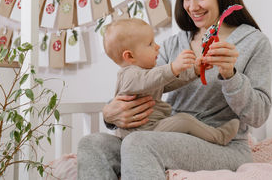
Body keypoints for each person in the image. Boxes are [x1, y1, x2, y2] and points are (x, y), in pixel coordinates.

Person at [77, 0, 272, 180]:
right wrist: (109, 113)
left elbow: (258, 116)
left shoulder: (253, 42)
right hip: (166, 133)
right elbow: (142, 84)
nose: (192, 6)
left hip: (223, 146)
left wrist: (231, 76)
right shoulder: (173, 44)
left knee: (138, 143)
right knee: (91, 144)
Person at [103, 18, 240, 144]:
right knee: (183, 120)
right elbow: (154, 78)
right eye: (150, 44)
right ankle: (219, 137)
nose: (157, 47)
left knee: (182, 120)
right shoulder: (129, 76)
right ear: (130, 56)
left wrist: (195, 71)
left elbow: (167, 82)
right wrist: (173, 67)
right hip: (139, 133)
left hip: (152, 127)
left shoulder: (147, 74)